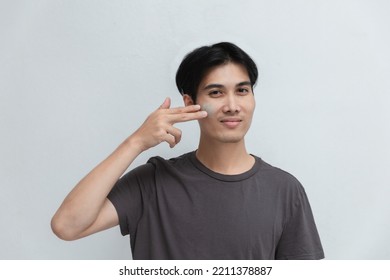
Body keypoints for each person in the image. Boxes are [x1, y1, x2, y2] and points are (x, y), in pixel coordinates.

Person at [51, 42, 324, 260]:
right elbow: (67, 226)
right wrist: (135, 142)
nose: (232, 105)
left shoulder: (284, 189)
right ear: (190, 103)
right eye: (216, 93)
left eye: (242, 90)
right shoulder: (153, 182)